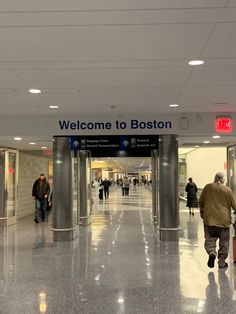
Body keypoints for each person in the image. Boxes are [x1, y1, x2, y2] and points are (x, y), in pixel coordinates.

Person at [199, 172, 236, 269]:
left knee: (210, 239)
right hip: (223, 221)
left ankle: (211, 252)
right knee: (224, 243)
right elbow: (234, 205)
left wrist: (203, 214)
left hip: (209, 220)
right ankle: (222, 262)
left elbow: (201, 202)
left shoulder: (207, 187)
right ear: (223, 179)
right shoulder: (227, 190)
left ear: (214, 178)